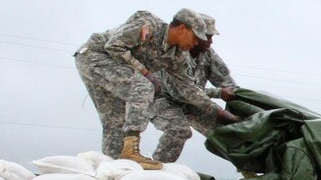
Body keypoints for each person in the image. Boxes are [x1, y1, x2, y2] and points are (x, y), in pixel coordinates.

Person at [74, 9, 240, 169]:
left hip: (113, 68)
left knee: (116, 122)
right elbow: (114, 46)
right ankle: (132, 151)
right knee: (142, 86)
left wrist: (222, 113)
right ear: (182, 29)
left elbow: (188, 89)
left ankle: (115, 168)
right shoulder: (149, 27)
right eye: (196, 37)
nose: (197, 42)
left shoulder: (177, 56)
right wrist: (146, 72)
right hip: (94, 56)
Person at [149, 13, 240, 162]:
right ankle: (157, 170)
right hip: (163, 99)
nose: (210, 42)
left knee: (226, 132)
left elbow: (228, 84)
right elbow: (181, 92)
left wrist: (241, 100)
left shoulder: (208, 55)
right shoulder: (173, 54)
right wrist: (219, 96)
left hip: (195, 102)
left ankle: (246, 169)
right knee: (179, 130)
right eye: (207, 37)